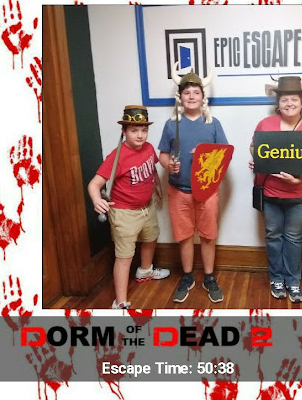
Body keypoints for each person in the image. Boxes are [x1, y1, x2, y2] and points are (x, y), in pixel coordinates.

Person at [250, 76, 302, 303]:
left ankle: (293, 281)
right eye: (284, 99)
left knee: (293, 238)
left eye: (294, 99)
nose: (289, 103)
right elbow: (253, 146)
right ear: (278, 103)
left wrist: (299, 181)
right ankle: (276, 279)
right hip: (270, 193)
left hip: (300, 196)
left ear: (301, 104)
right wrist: (258, 159)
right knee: (273, 236)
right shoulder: (265, 125)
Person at [88, 105, 170, 310]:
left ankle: (145, 270)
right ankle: (120, 302)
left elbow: (152, 168)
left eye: (144, 130)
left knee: (151, 238)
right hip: (124, 213)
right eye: (134, 130)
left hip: (147, 207)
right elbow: (94, 184)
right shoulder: (117, 157)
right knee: (124, 257)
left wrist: (156, 184)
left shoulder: (149, 148)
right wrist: (97, 200)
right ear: (124, 131)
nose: (140, 135)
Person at [158, 66, 228, 304]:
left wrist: (205, 153)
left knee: (208, 236)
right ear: (180, 97)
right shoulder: (171, 124)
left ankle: (209, 277)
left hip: (207, 191)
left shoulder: (213, 123)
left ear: (202, 97)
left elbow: (224, 156)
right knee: (185, 236)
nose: (191, 96)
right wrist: (168, 165)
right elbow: (163, 155)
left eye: (196, 92)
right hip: (179, 190)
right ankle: (187, 276)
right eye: (187, 92)